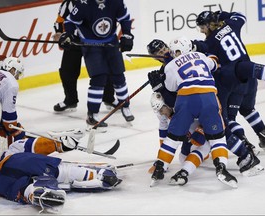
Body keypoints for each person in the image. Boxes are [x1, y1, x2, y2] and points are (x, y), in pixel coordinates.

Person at [147, 36, 238, 188]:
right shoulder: (201, 56)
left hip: (185, 101)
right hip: (208, 99)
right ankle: (221, 167)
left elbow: (171, 91)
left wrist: (159, 87)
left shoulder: (169, 67)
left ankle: (160, 167)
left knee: (173, 139)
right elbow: (215, 63)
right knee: (217, 138)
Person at [193, 10, 265, 154]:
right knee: (248, 109)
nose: (202, 31)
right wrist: (222, 14)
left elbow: (200, 49)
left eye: (203, 27)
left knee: (228, 117)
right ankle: (264, 136)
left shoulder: (210, 42)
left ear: (209, 25)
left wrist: (192, 46)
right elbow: (241, 16)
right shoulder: (231, 25)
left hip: (232, 82)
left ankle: (244, 143)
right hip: (249, 77)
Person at [0, 128, 121, 214]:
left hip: (1, 183)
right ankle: (96, 175)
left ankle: (36, 192)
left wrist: (61, 144)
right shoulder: (12, 149)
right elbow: (36, 145)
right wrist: (60, 144)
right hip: (19, 161)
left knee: (21, 188)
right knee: (62, 171)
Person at [58, 0, 135, 130]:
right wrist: (68, 35)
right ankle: (93, 114)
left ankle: (125, 106)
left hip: (111, 41)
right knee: (98, 78)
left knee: (118, 76)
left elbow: (124, 18)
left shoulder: (116, 2)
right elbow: (70, 21)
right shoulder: (84, 4)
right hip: (91, 44)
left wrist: (127, 35)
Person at [52, 0, 118, 112]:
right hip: (73, 42)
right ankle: (70, 100)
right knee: (67, 71)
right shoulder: (67, 4)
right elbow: (59, 21)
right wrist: (59, 33)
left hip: (94, 42)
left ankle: (109, 98)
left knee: (104, 70)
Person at [0, 57, 26, 177]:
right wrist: (16, 130)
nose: (17, 77)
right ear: (12, 69)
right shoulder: (11, 82)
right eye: (17, 73)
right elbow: (9, 119)